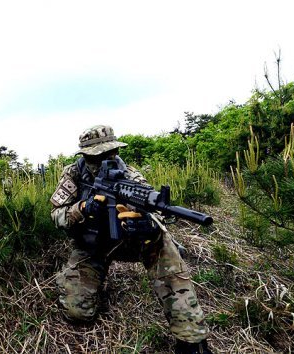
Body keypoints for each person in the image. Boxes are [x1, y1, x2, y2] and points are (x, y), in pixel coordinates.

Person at [50, 125, 212, 354]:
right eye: (98, 157)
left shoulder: (130, 177)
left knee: (160, 242)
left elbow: (151, 207)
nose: (107, 161)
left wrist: (146, 224)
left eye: (111, 154)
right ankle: (77, 278)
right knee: (78, 312)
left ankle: (191, 338)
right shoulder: (74, 174)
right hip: (92, 247)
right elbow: (56, 215)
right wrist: (83, 208)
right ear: (85, 156)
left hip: (126, 241)